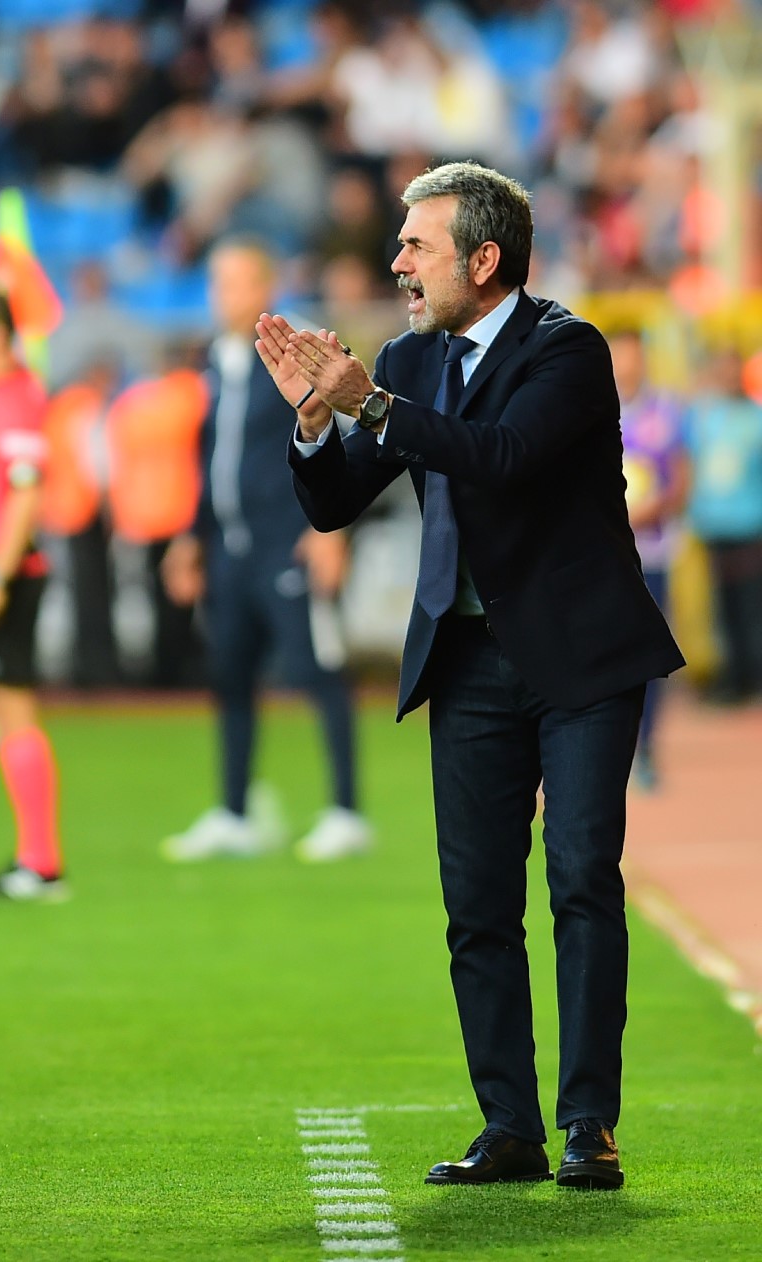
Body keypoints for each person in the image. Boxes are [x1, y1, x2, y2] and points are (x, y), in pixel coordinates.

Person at [256, 162, 684, 1189]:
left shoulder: (568, 348)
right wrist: (316, 420)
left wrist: (372, 403)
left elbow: (501, 455)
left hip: (581, 659)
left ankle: (589, 1123)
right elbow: (335, 503)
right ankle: (510, 1128)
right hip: (467, 658)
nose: (397, 262)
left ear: (484, 259)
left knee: (581, 879)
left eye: (418, 245)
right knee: (478, 904)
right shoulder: (410, 356)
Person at [161, 238, 371, 863]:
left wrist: (334, 529)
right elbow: (214, 457)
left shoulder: (303, 352)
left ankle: (346, 812)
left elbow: (358, 436)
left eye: (233, 283)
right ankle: (235, 812)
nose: (220, 296)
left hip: (291, 543)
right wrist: (191, 538)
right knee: (229, 676)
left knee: (316, 670)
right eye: (216, 284)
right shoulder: (214, 361)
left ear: (264, 287)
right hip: (230, 549)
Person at [0, 292, 67, 901]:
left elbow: (25, 492)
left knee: (14, 709)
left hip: (8, 574)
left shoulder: (15, 398)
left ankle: (40, 861)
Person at [609, 328, 689, 789]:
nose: (628, 366)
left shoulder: (665, 412)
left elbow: (680, 481)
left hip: (652, 551)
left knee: (650, 652)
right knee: (604, 647)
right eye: (620, 357)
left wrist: (651, 509)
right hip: (602, 552)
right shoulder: (592, 407)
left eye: (634, 356)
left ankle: (646, 745)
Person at [684, 346, 762, 703]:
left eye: (734, 370)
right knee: (721, 607)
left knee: (750, 607)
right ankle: (731, 676)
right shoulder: (705, 417)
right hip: (713, 528)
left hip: (749, 528)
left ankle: (750, 677)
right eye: (723, 370)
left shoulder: (756, 418)